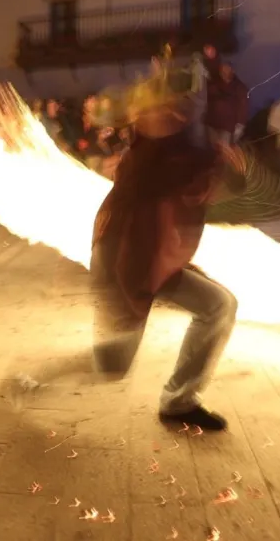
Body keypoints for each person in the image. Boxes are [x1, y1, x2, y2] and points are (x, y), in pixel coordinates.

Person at [90, 49, 243, 432]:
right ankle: (33, 382)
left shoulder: (175, 147)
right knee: (113, 365)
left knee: (219, 305)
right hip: (127, 263)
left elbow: (198, 189)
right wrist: (221, 165)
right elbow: (182, 179)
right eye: (166, 108)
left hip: (157, 259)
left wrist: (223, 167)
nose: (174, 113)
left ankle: (179, 400)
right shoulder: (149, 153)